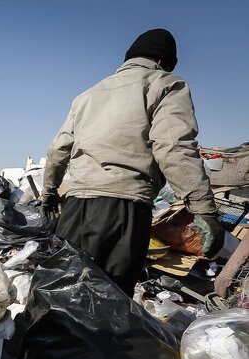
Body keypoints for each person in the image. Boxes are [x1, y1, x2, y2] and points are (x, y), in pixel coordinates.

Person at [42, 28, 224, 296]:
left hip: (75, 206)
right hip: (123, 208)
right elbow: (173, 147)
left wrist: (48, 194)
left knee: (65, 293)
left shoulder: (89, 94)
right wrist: (204, 210)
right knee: (110, 299)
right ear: (163, 62)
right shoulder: (166, 84)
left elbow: (58, 149)